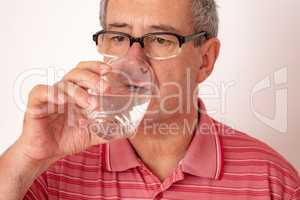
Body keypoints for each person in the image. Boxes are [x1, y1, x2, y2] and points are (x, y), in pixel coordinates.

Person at [0, 0, 299, 199]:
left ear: (205, 60)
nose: (134, 61)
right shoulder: (49, 170)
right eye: (118, 38)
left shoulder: (273, 183)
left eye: (160, 39)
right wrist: (26, 159)